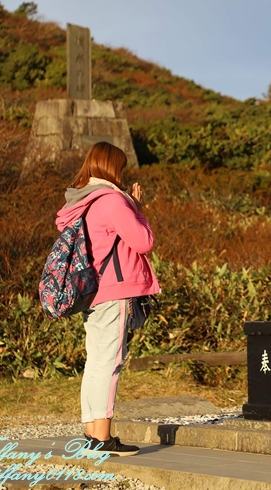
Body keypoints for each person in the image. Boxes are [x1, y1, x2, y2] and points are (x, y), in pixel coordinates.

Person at [54, 141, 160, 456]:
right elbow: (144, 242)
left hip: (92, 292)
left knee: (96, 360)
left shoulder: (82, 201)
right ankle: (102, 438)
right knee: (109, 362)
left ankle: (92, 434)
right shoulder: (112, 201)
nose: (122, 174)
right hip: (114, 290)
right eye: (121, 168)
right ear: (112, 167)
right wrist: (137, 209)